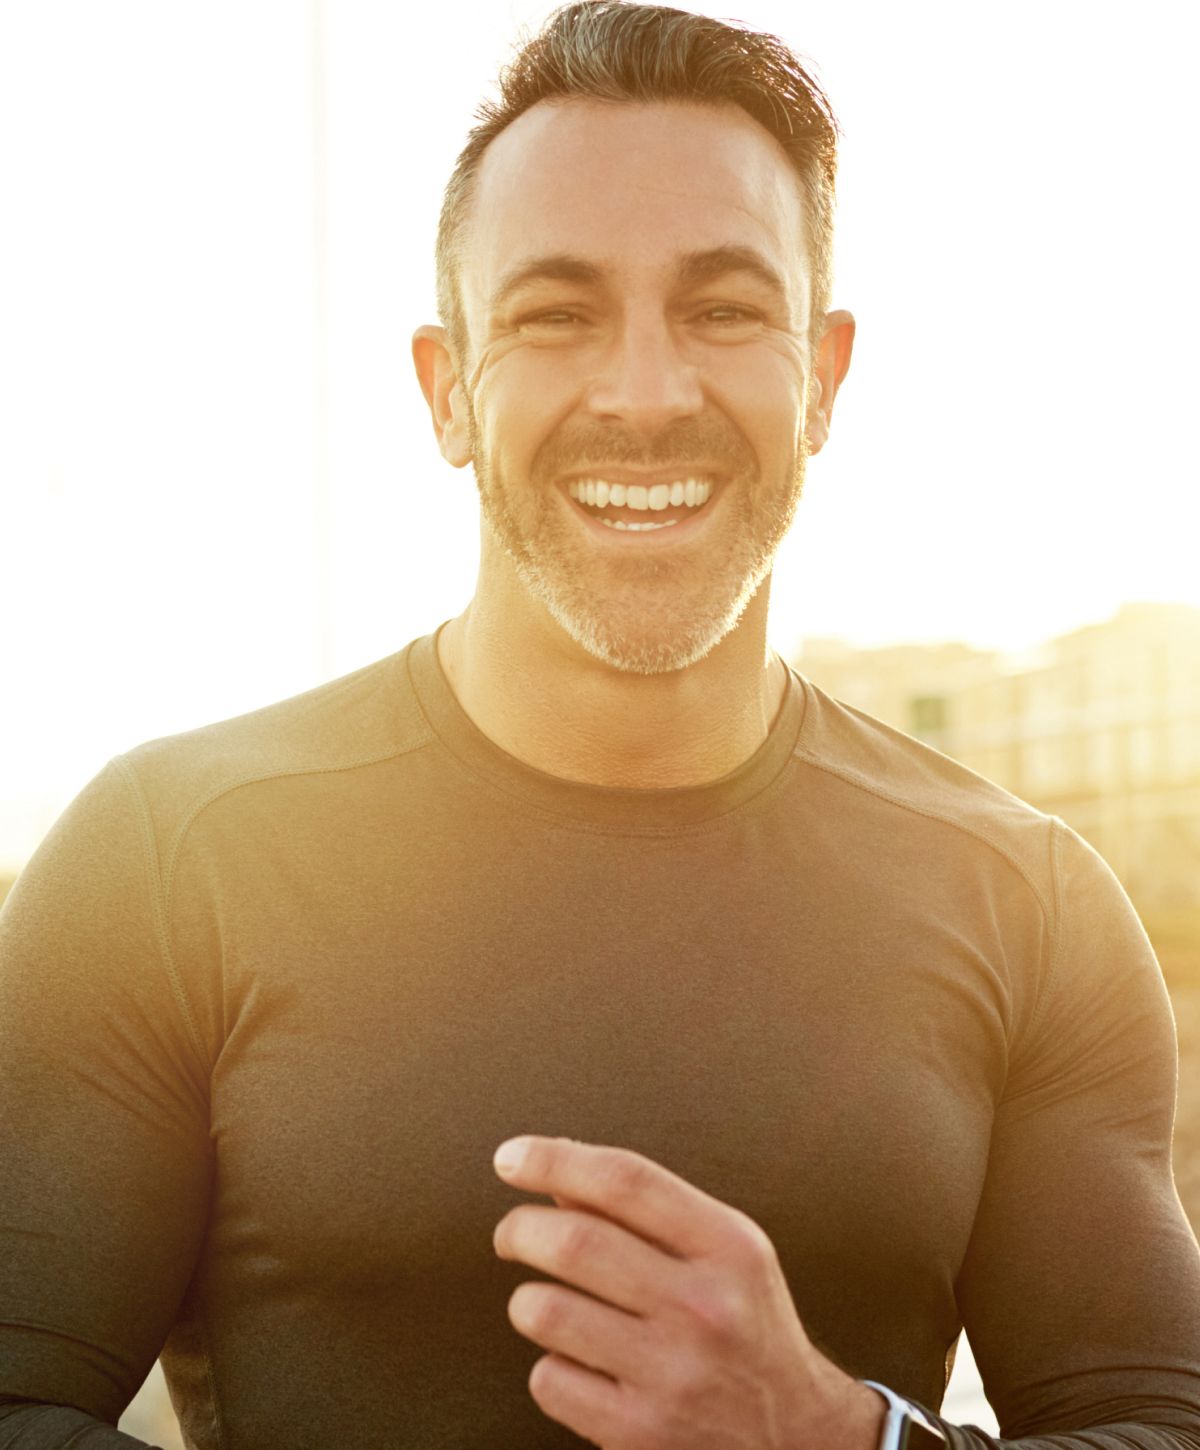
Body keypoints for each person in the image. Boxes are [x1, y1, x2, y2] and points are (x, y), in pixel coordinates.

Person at [2, 2, 1199, 1446]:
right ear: (448, 391)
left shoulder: (1031, 906)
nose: (645, 394)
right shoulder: (167, 856)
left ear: (823, 378)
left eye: (725, 309)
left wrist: (839, 1435)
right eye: (555, 315)